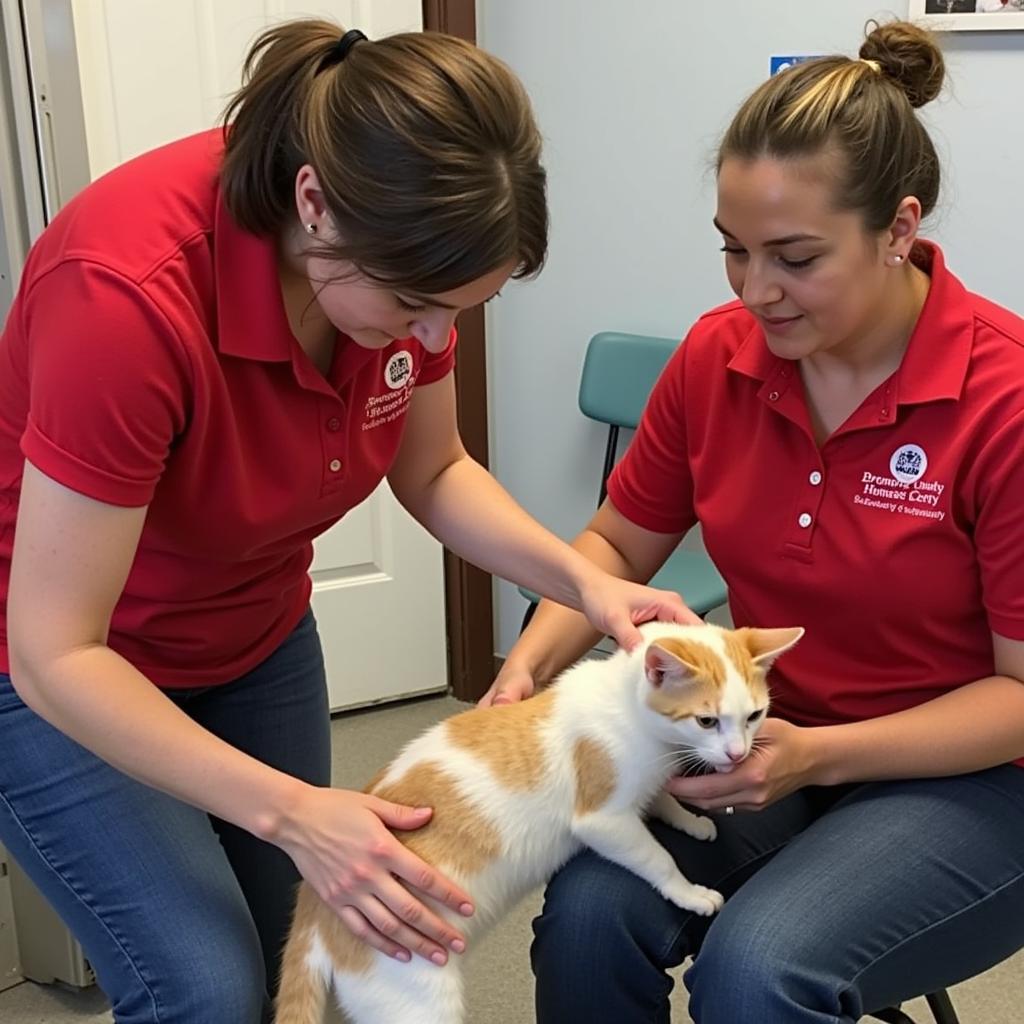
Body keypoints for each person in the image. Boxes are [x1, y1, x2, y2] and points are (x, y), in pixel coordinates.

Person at [0, 20, 693, 1024]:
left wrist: (584, 580)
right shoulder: (125, 294)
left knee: (313, 957)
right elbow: (56, 650)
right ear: (313, 203)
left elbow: (437, 466)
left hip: (254, 631)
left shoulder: (400, 275)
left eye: (458, 310)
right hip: (67, 665)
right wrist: (293, 813)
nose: (432, 338)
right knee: (206, 987)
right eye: (414, 304)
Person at [486, 19, 1024, 1024]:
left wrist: (819, 755)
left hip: (975, 781)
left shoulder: (1005, 401)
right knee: (590, 915)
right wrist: (529, 669)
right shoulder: (718, 357)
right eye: (734, 251)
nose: (755, 290)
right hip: (760, 741)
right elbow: (611, 550)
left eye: (795, 257)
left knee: (756, 969)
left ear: (899, 228)